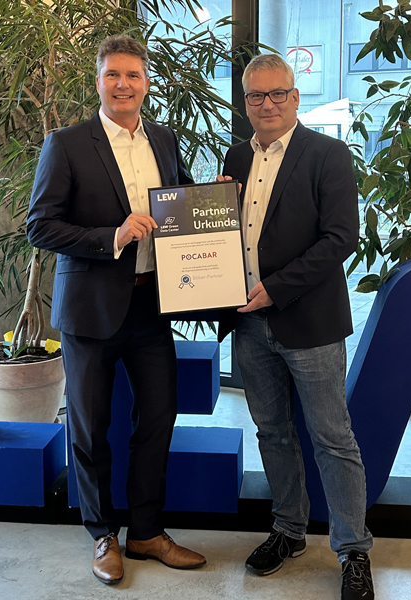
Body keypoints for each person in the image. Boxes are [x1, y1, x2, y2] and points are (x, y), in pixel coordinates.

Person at [27, 34, 206, 585]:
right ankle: (103, 534)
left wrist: (211, 200)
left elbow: (178, 203)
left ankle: (147, 532)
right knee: (90, 427)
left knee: (158, 418)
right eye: (113, 75)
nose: (123, 85)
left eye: (132, 75)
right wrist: (114, 235)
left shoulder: (164, 139)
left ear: (146, 83)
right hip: (90, 310)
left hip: (153, 304)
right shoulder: (66, 144)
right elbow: (41, 226)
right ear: (98, 81)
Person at [218, 54, 375, 600]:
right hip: (249, 323)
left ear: (295, 97)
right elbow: (221, 236)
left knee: (332, 437)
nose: (267, 104)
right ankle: (288, 529)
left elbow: (341, 237)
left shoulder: (328, 154)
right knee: (272, 432)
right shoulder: (236, 157)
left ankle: (353, 550)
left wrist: (277, 288)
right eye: (256, 96)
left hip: (310, 322)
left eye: (277, 93)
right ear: (245, 103)